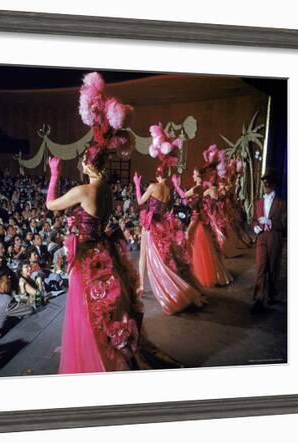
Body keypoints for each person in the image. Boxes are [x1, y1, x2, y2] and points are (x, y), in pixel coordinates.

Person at [45, 71, 179, 374]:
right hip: (104, 253)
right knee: (105, 310)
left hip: (87, 257)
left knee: (88, 311)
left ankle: (94, 358)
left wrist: (54, 175)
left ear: (86, 163)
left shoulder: (84, 190)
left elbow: (50, 205)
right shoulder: (105, 190)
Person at [134, 124, 204, 314]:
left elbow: (140, 201)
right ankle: (146, 284)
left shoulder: (153, 187)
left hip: (149, 225)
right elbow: (169, 207)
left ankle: (143, 285)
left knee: (145, 257)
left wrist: (137, 185)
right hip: (162, 225)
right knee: (166, 258)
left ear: (158, 174)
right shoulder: (169, 189)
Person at [175, 160, 233, 288]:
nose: (192, 176)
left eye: (193, 174)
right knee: (204, 247)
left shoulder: (196, 187)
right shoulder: (202, 188)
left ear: (197, 176)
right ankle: (211, 273)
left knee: (195, 246)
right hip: (200, 218)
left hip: (196, 219)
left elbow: (183, 195)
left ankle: (198, 275)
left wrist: (175, 184)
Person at [251, 167, 287, 312]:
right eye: (264, 182)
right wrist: (255, 227)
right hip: (261, 238)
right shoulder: (258, 202)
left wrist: (270, 222)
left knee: (272, 268)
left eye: (268, 182)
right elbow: (253, 220)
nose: (265, 184)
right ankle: (258, 298)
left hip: (274, 237)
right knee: (260, 267)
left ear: (273, 184)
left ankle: (271, 294)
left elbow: (285, 225)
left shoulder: (282, 203)